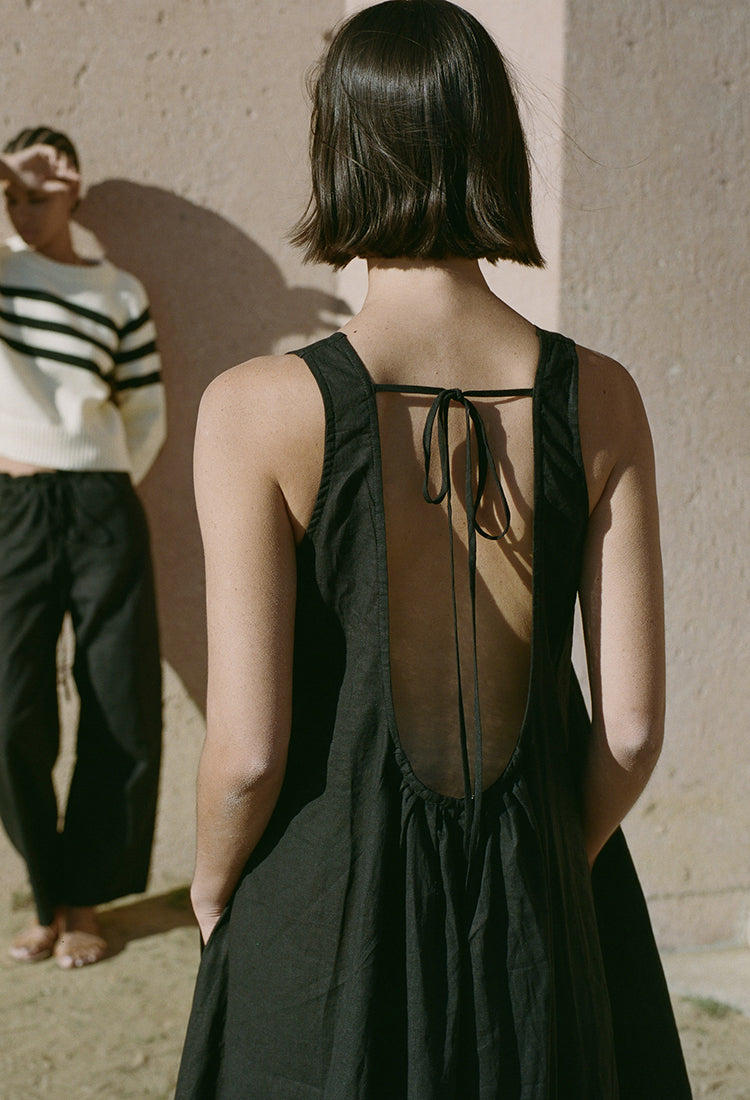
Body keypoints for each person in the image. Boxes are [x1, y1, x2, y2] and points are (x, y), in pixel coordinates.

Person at [177, 2, 691, 1095]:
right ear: (495, 147)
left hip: (324, 922)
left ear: (342, 152)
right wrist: (544, 867)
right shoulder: (602, 395)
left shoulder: (256, 408)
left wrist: (213, 887)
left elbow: (250, 752)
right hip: (541, 921)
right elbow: (633, 729)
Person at [0, 127, 165, 969]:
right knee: (8, 710)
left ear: (76, 192)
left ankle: (85, 901)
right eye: (12, 196)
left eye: (40, 195)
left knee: (119, 705)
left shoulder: (118, 290)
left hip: (103, 502)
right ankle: (45, 890)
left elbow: (143, 409)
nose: (24, 211)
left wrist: (108, 483)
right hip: (12, 507)